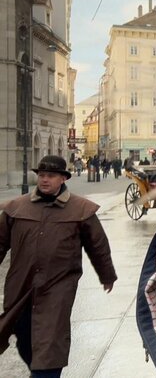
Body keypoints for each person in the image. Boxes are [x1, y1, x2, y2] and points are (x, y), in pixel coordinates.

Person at [0, 155, 117, 376]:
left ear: (63, 178)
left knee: (50, 341)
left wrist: (107, 275)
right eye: (42, 175)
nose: (44, 180)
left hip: (57, 287)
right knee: (24, 337)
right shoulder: (16, 208)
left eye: (51, 176)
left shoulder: (81, 209)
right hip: (21, 285)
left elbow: (98, 245)